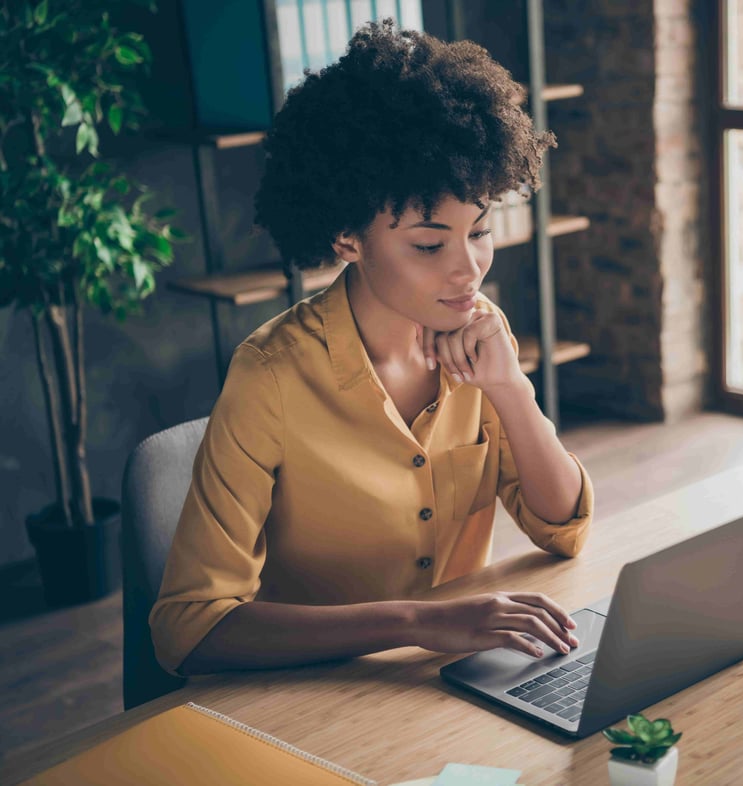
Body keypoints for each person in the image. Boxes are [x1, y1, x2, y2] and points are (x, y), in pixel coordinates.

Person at [149, 21, 593, 676]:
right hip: (310, 700)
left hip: (452, 688)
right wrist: (418, 621)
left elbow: (563, 529)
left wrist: (511, 390)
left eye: (481, 231)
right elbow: (188, 627)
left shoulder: (477, 330)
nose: (468, 270)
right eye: (427, 243)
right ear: (346, 237)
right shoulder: (270, 377)